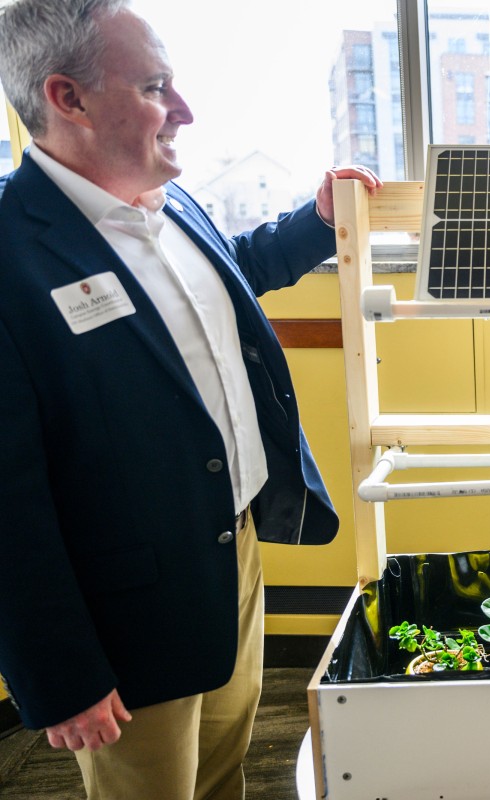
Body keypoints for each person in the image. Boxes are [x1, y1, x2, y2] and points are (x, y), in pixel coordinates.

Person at [0, 1, 380, 797]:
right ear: (66, 98)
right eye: (154, 87)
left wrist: (314, 225)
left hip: (229, 550)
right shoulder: (12, 250)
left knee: (221, 773)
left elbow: (228, 273)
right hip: (123, 601)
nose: (186, 111)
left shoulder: (166, 197)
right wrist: (58, 673)